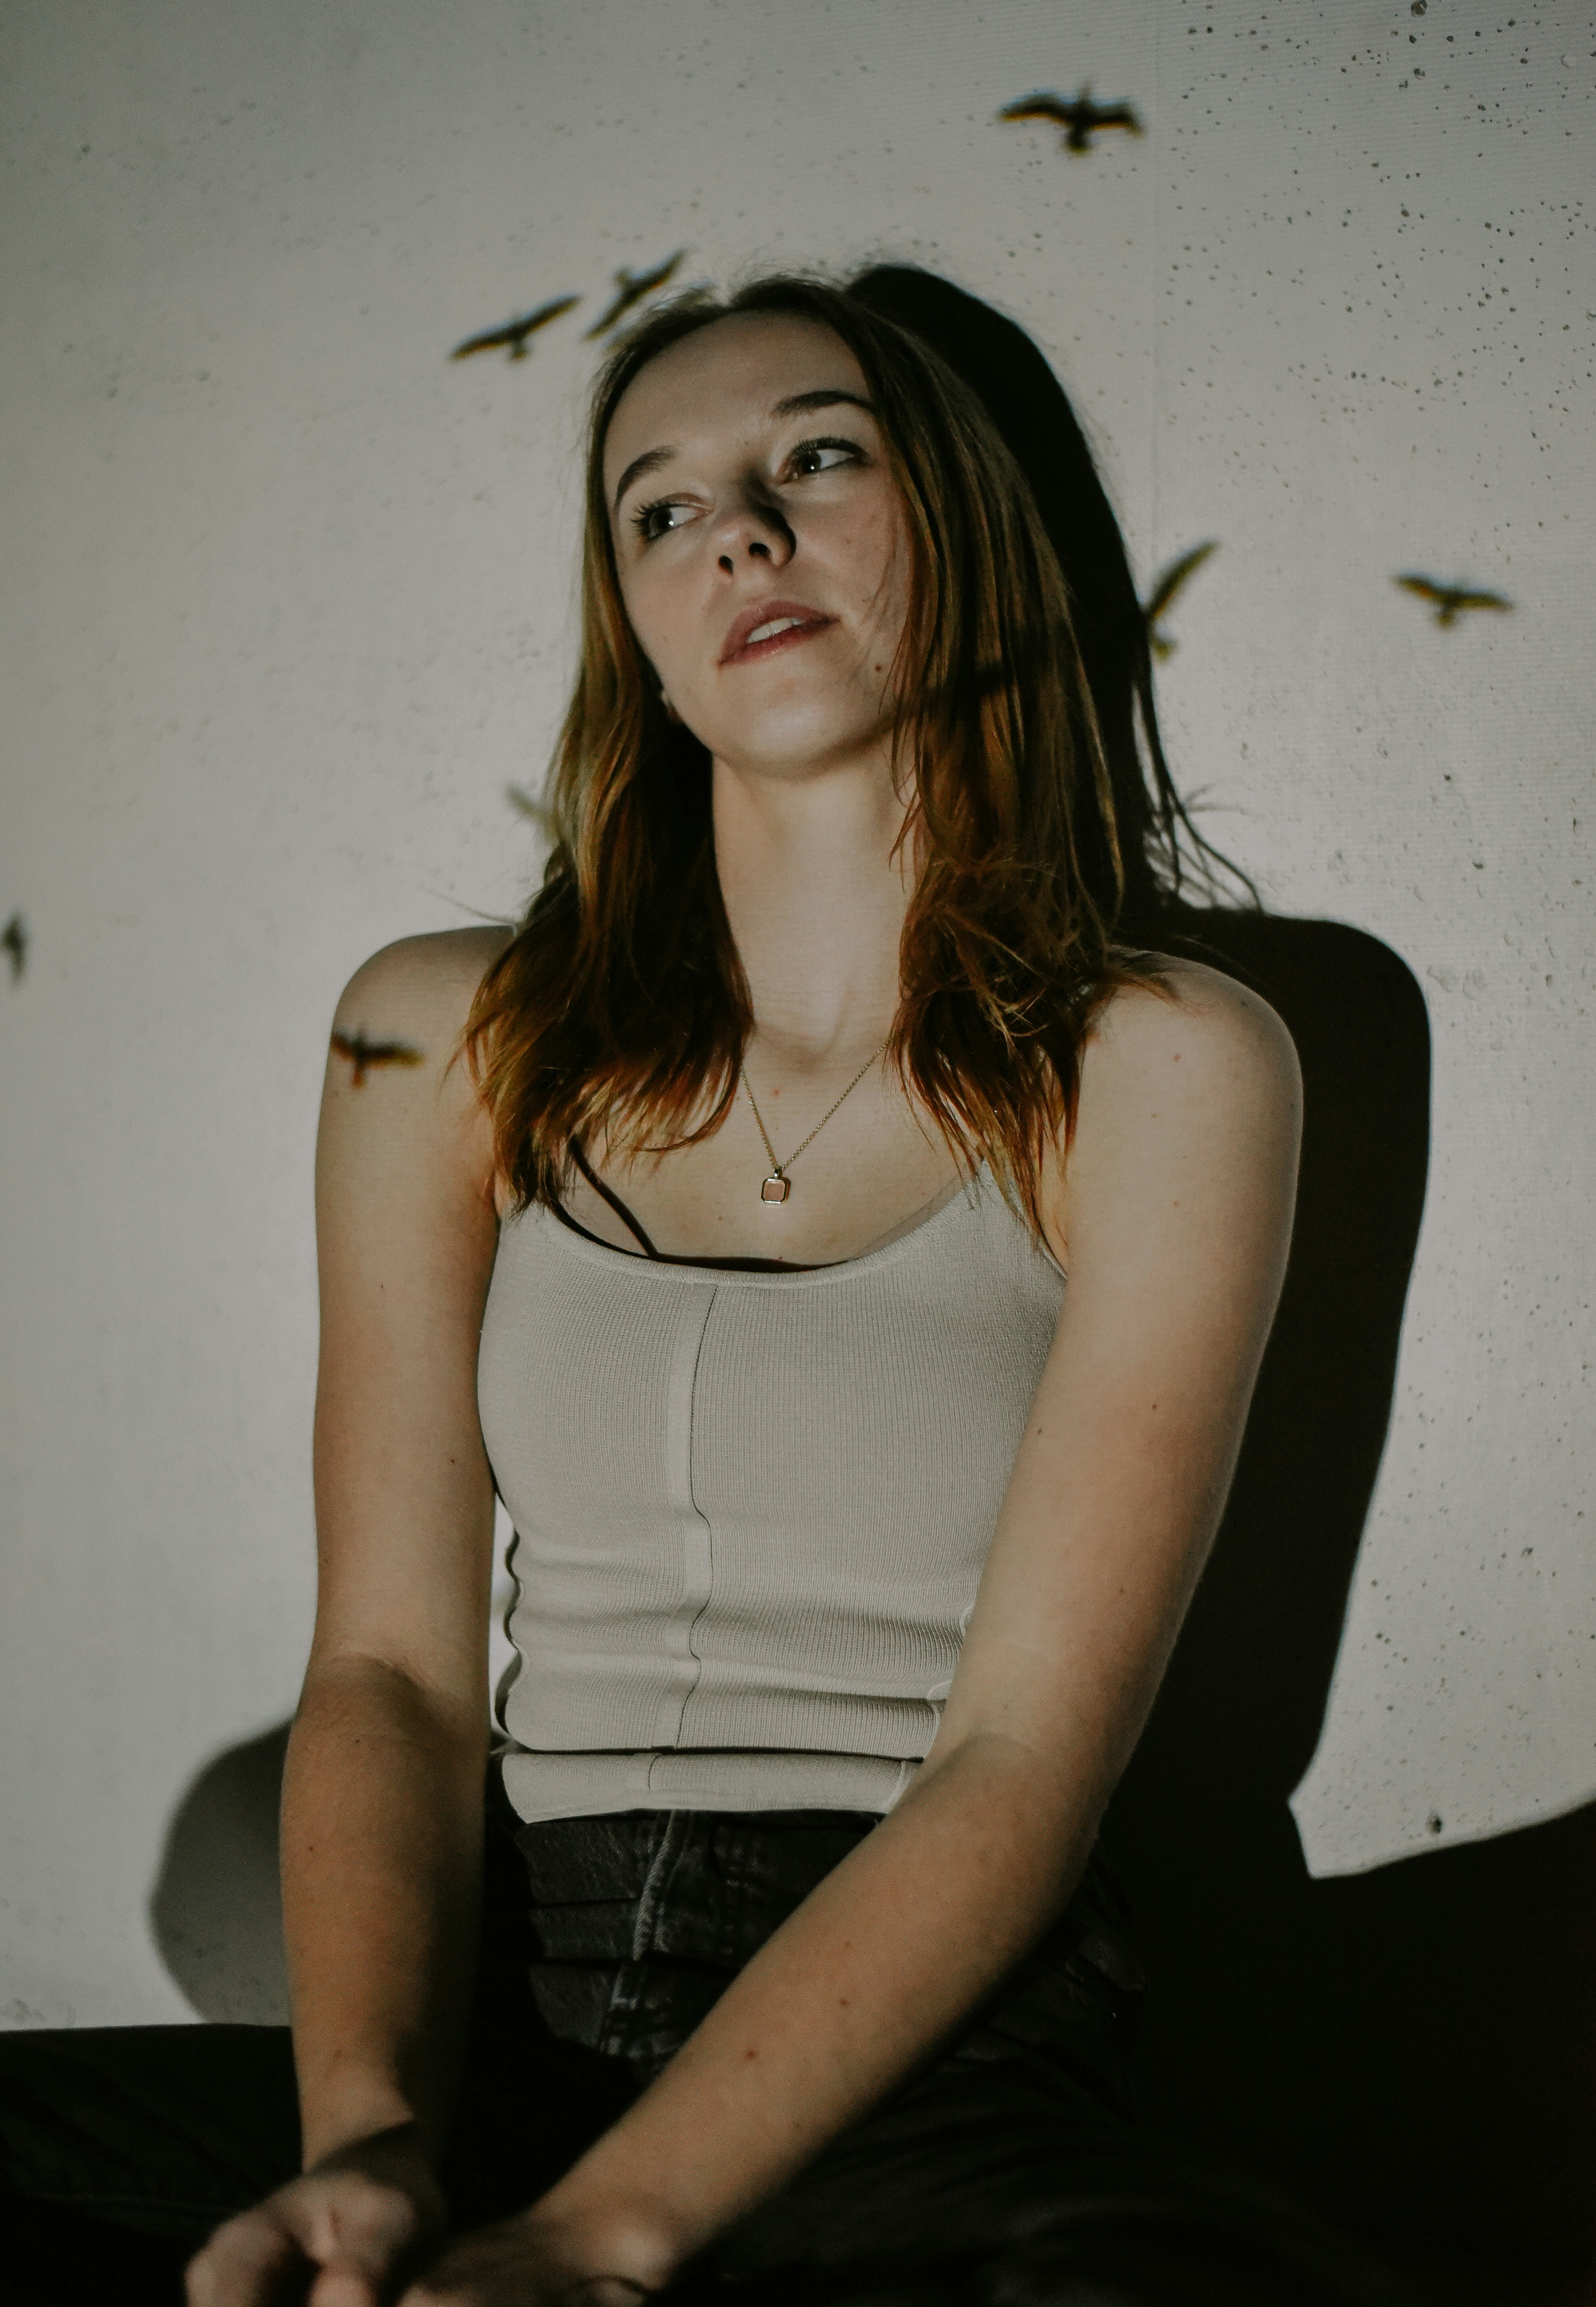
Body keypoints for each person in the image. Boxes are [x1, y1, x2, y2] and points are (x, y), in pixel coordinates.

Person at [0, 275, 1413, 2307]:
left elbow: (1020, 1756)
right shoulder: (444, 1036)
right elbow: (387, 1671)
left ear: (966, 535)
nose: (735, 530)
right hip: (497, 2006)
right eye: (657, 511)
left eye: (816, 458)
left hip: (915, 2051)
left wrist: (601, 2234)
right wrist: (368, 2142)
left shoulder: (1169, 1061)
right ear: (635, 640)